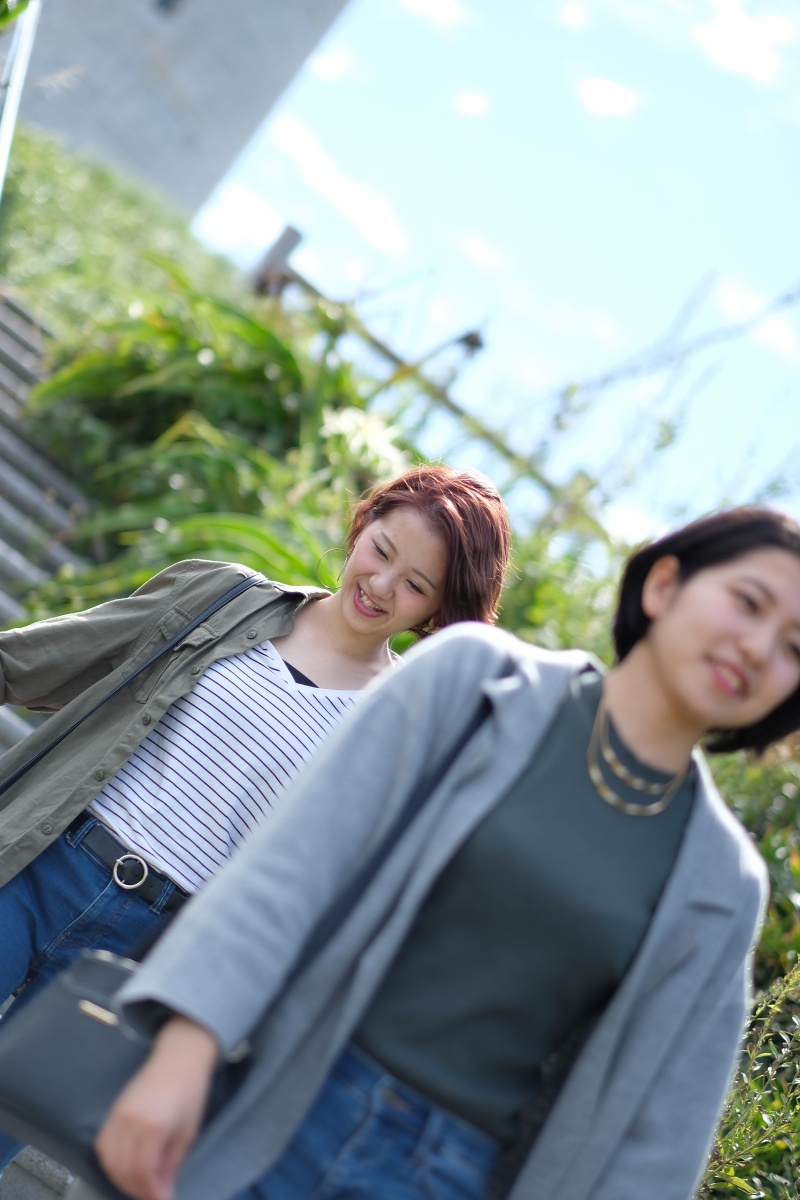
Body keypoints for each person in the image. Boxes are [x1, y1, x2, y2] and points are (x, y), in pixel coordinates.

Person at [92, 506, 800, 1200]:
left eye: (795, 647)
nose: (758, 647)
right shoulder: (477, 681)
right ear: (665, 585)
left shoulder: (722, 883)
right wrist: (188, 1046)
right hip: (272, 1091)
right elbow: (297, 866)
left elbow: (659, 1140)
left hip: (448, 1176)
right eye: (748, 602)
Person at [0, 463, 510, 1173]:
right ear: (363, 525)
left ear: (437, 613)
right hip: (38, 863)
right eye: (383, 552)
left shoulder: (396, 732)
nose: (383, 586)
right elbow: (46, 658)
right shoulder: (224, 599)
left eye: (417, 585)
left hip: (144, 951)